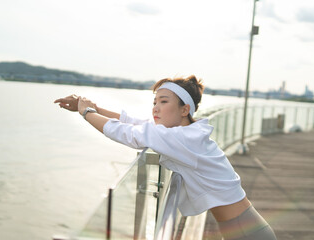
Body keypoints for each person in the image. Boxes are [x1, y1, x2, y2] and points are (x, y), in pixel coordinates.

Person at [54, 75, 277, 240]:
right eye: (154, 102)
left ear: (184, 109)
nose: (156, 108)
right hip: (241, 228)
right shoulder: (188, 133)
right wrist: (94, 108)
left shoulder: (183, 139)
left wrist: (87, 113)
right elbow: (137, 124)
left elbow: (128, 133)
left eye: (163, 101)